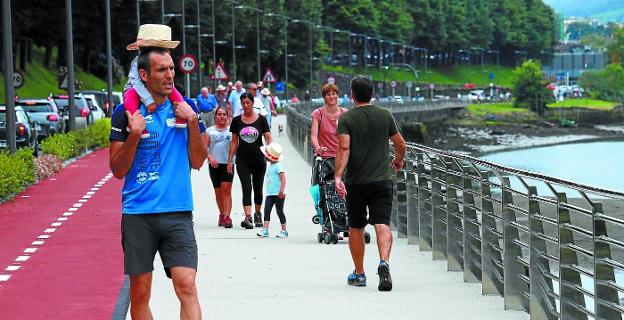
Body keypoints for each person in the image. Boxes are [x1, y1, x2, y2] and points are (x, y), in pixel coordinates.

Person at [109, 47, 208, 318]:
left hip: (177, 212)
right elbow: (117, 169)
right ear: (144, 74)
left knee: (187, 285)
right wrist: (134, 134)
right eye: (162, 69)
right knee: (140, 294)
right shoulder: (124, 114)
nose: (170, 75)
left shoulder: (187, 109)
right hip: (138, 215)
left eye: (172, 69)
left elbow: (198, 160)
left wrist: (191, 122)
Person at [334, 75, 406, 292]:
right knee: (382, 223)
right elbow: (400, 143)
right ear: (372, 93)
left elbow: (344, 149)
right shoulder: (385, 115)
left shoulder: (347, 119)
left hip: (356, 182)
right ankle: (384, 262)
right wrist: (398, 160)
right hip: (382, 180)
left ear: (352, 95)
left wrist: (338, 176)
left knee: (356, 227)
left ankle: (359, 273)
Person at [124, 24, 187, 138]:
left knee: (174, 92)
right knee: (130, 94)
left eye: (171, 68)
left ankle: (181, 117)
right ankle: (135, 123)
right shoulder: (137, 63)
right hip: (136, 90)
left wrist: (190, 117)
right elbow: (137, 83)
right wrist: (149, 101)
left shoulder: (166, 62)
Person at [227, 92, 273, 229]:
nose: (246, 105)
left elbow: (268, 137)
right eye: (243, 103)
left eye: (248, 103)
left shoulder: (261, 120)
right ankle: (248, 217)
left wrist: (270, 150)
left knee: (258, 187)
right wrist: (230, 160)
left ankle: (258, 213)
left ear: (253, 103)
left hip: (259, 158)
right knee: (246, 187)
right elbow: (234, 142)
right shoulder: (236, 121)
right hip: (242, 159)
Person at [207, 106, 234, 229]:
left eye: (224, 114)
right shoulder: (209, 131)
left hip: (228, 164)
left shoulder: (231, 131)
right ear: (215, 117)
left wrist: (231, 161)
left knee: (226, 189)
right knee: (218, 191)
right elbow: (204, 147)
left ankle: (228, 217)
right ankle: (222, 214)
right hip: (214, 165)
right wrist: (210, 157)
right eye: (219, 114)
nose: (222, 116)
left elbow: (235, 146)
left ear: (228, 117)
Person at [256, 142, 288, 238]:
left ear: (270, 157)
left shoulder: (278, 166)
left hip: (278, 194)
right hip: (270, 194)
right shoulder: (271, 166)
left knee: (279, 211)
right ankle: (265, 230)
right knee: (267, 210)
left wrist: (281, 190)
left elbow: (283, 178)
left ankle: (284, 230)